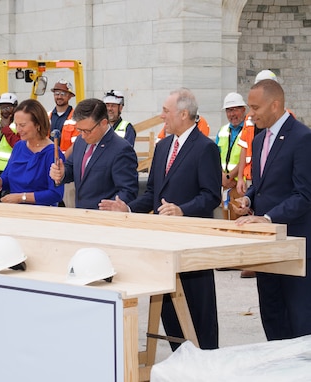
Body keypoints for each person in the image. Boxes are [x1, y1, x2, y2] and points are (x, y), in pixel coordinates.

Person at [99, 88, 221, 351]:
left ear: (184, 114)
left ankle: (206, 363)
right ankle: (180, 359)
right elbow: (154, 193)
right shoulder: (164, 146)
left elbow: (211, 196)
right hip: (163, 243)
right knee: (169, 311)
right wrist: (127, 209)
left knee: (199, 310)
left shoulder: (206, 148)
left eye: (166, 111)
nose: (161, 116)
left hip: (193, 244)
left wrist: (182, 210)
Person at [233, 79, 311, 341]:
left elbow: (304, 194)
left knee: (298, 321)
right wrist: (249, 200)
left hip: (295, 244)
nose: (250, 114)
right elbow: (263, 183)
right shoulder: (257, 140)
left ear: (275, 105)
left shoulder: (302, 138)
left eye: (255, 107)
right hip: (267, 247)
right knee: (272, 315)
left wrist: (267, 218)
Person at [49, 98, 138, 210]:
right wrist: (62, 173)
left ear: (103, 123)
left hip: (103, 218)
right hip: (81, 213)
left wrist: (115, 206)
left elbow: (128, 190)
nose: (83, 135)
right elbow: (71, 167)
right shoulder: (81, 141)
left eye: (87, 131)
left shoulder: (121, 149)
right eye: (80, 130)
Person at [0, 99, 64, 206]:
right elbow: (7, 179)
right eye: (16, 125)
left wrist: (21, 197)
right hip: (16, 213)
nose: (18, 129)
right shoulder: (19, 146)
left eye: (23, 125)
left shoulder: (52, 153)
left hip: (41, 215)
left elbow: (55, 194)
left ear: (38, 124)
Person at [216, 92, 247, 220]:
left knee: (240, 222)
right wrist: (222, 177)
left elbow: (247, 157)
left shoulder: (249, 130)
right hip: (224, 185)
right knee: (225, 220)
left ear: (243, 110)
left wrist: (230, 176)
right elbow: (215, 156)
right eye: (228, 111)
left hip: (240, 186)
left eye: (235, 110)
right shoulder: (222, 131)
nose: (231, 114)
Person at [48, 79, 78, 158]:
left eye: (63, 94)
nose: (59, 97)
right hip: (48, 160)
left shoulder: (76, 118)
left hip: (68, 163)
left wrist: (62, 159)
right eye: (57, 93)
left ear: (69, 96)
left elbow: (77, 144)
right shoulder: (47, 116)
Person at [0, 93, 20, 173]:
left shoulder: (19, 124)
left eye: (8, 108)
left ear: (15, 108)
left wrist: (6, 129)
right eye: (2, 107)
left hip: (11, 168)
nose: (5, 111)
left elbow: (18, 145)